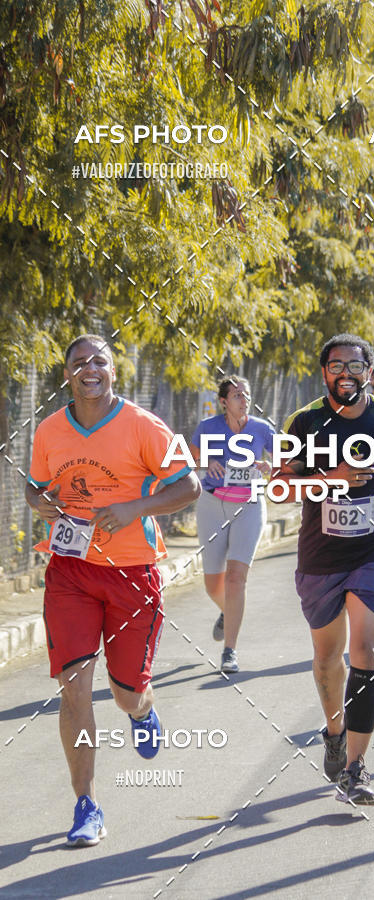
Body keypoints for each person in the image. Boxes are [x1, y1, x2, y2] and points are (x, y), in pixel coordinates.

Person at [25, 335, 200, 847]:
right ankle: (87, 804)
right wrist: (38, 502)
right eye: (79, 362)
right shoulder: (50, 430)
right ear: (68, 374)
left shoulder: (145, 427)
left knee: (125, 693)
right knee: (74, 688)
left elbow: (188, 485)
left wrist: (134, 509)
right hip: (70, 570)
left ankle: (142, 709)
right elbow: (35, 485)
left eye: (99, 360)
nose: (90, 368)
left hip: (132, 573)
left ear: (113, 370)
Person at [279, 333, 374, 805]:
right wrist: (333, 479)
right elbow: (281, 487)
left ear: (369, 370)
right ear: (324, 372)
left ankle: (357, 768)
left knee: (365, 650)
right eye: (336, 365)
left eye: (355, 364)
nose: (346, 372)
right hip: (320, 558)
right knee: (328, 657)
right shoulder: (305, 422)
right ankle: (334, 732)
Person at [190, 376, 275, 674]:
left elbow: (286, 462)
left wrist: (270, 466)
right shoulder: (207, 427)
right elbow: (188, 460)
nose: (244, 399)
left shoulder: (262, 429)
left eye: (247, 395)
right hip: (212, 505)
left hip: (249, 506)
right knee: (213, 583)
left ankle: (230, 650)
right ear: (224, 401)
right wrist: (205, 464)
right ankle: (228, 611)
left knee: (236, 578)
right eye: (237, 395)